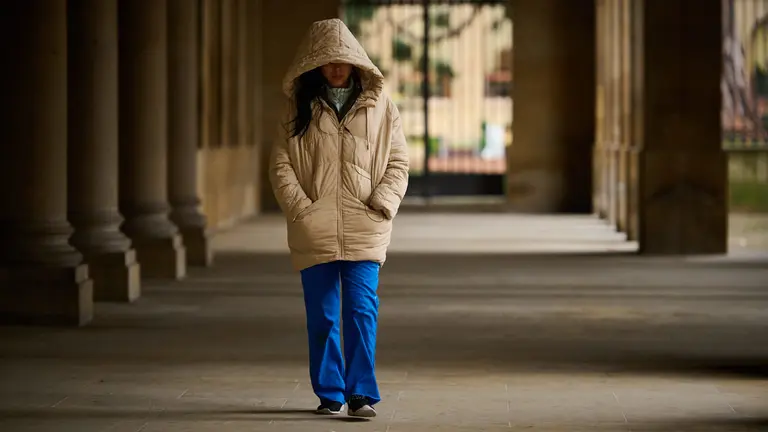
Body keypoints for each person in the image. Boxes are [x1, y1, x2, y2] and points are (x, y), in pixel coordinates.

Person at [269, 18, 409, 418]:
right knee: (323, 315)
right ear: (314, 64)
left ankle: (361, 391)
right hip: (314, 227)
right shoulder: (297, 107)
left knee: (362, 310)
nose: (335, 67)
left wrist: (383, 202)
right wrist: (300, 208)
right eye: (327, 60)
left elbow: (399, 159)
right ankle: (330, 391)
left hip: (366, 224)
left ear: (355, 61)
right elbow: (280, 164)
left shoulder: (381, 106)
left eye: (342, 59)